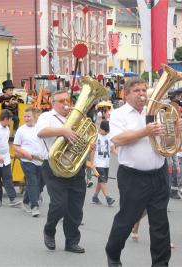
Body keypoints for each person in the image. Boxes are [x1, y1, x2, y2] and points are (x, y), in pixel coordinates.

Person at [105, 78, 182, 267]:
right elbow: (118, 139)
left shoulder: (157, 112)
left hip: (159, 173)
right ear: (126, 94)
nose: (142, 94)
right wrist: (144, 131)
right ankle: (113, 253)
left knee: (160, 223)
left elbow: (167, 144)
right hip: (133, 176)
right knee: (127, 219)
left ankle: (161, 263)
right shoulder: (118, 114)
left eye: (144, 90)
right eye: (137, 91)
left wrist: (175, 130)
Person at [37, 90, 87, 254]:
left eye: (68, 100)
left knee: (75, 207)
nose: (66, 103)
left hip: (75, 166)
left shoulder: (78, 117)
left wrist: (87, 144)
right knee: (59, 204)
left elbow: (85, 137)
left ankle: (72, 242)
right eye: (62, 101)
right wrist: (63, 131)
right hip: (53, 166)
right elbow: (41, 132)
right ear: (54, 103)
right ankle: (49, 230)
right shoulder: (47, 117)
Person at [0, 109, 21, 207]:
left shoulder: (7, 128)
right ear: (5, 119)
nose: (10, 121)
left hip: (5, 158)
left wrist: (7, 153)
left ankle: (12, 199)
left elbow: (4, 143)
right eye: (10, 119)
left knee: (8, 178)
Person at [13, 107, 44, 217]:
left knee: (41, 184)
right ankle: (34, 206)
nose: (26, 118)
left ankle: (25, 200)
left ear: (35, 117)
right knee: (32, 181)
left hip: (41, 160)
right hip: (27, 160)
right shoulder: (21, 130)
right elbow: (15, 146)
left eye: (28, 116)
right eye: (25, 116)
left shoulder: (41, 128)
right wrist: (25, 153)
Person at [90, 120, 115, 206]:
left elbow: (112, 149)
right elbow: (92, 151)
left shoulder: (109, 136)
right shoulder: (96, 137)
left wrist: (119, 154)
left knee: (101, 181)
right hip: (98, 162)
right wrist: (92, 163)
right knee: (102, 180)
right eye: (106, 131)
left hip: (106, 162)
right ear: (101, 129)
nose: (107, 132)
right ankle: (108, 198)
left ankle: (95, 197)